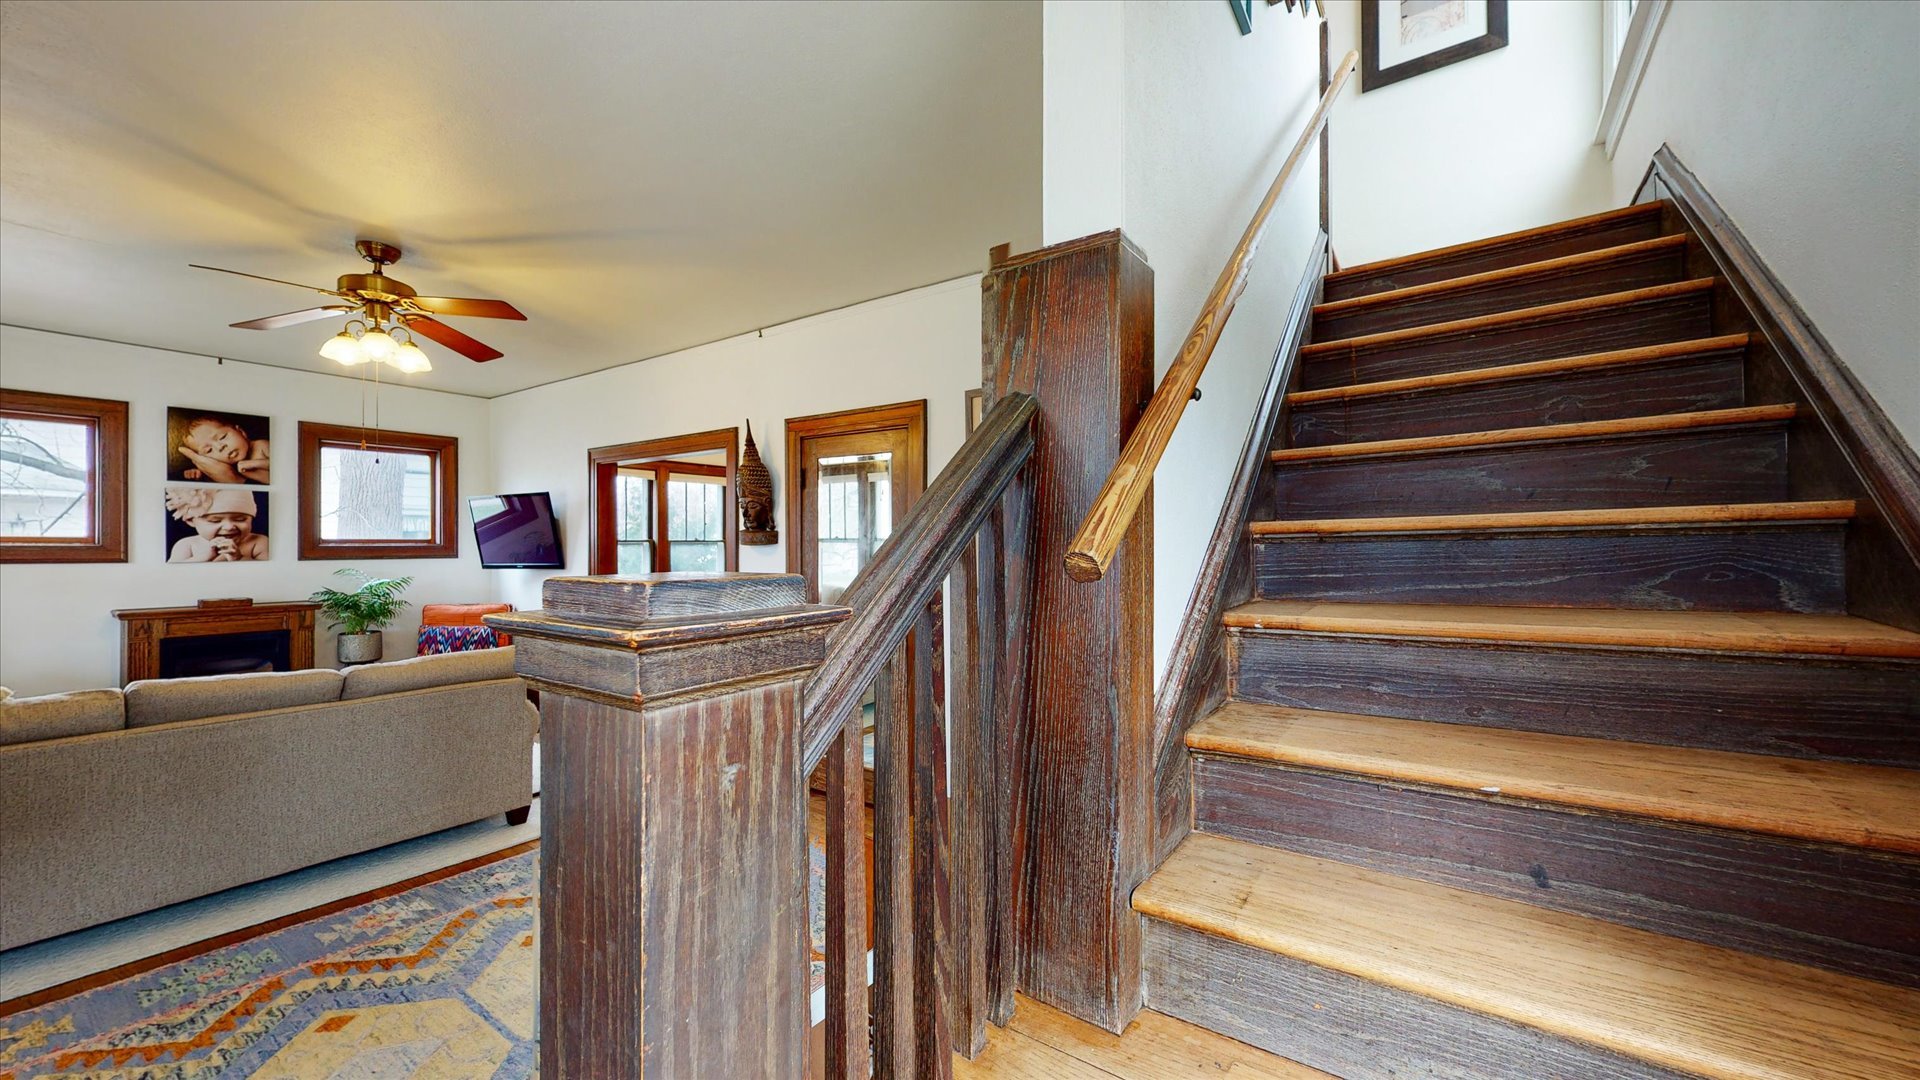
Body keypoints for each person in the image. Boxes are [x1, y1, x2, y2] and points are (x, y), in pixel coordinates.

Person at [166, 488, 269, 562]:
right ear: (190, 521)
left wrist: (239, 558)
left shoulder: (258, 543)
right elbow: (172, 574)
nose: (229, 527)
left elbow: (269, 574)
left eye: (240, 519)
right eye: (215, 521)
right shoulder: (187, 545)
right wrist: (203, 558)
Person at [178, 415, 270, 485]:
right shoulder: (226, 468)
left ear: (241, 431)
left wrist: (254, 463)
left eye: (222, 437)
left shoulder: (261, 446)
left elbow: (281, 467)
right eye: (209, 450)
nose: (220, 447)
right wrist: (199, 474)